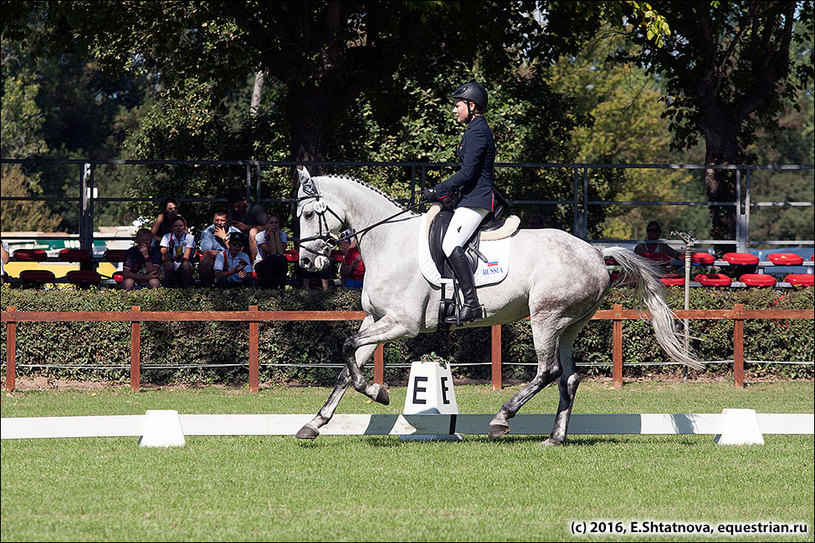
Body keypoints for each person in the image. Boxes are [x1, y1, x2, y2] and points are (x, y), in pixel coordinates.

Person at [420, 81, 495, 324]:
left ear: (472, 106)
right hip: (467, 197)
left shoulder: (478, 132)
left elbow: (468, 173)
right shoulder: (473, 129)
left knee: (450, 243)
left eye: (457, 105)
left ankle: (472, 304)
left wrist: (437, 189)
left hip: (477, 199)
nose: (454, 110)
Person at [198, 210, 241, 287]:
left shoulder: (236, 232)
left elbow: (238, 252)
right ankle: (206, 288)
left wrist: (224, 238)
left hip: (233, 259)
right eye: (216, 220)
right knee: (205, 260)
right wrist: (223, 256)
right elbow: (206, 252)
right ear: (213, 220)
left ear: (227, 221)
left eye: (222, 220)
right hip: (216, 259)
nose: (219, 223)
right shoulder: (207, 232)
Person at [226, 188, 267, 264]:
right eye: (233, 207)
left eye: (238, 206)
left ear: (244, 201)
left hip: (256, 244)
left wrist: (246, 227)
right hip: (238, 243)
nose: (236, 209)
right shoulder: (231, 212)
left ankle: (256, 264)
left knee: (253, 232)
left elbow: (268, 227)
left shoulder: (255, 209)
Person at [254, 214, 290, 289]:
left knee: (282, 259)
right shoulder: (260, 236)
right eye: (271, 223)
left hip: (276, 264)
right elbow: (272, 252)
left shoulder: (283, 235)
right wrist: (271, 235)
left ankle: (282, 289)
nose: (274, 225)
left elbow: (281, 252)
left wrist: (276, 235)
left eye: (276, 222)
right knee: (272, 258)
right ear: (267, 224)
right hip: (262, 264)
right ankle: (268, 289)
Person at [160, 215, 195, 288]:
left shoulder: (189, 238)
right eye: (175, 226)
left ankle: (187, 289)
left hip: (184, 263)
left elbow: (186, 257)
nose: (178, 228)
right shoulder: (166, 237)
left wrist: (180, 258)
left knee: (185, 264)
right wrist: (172, 258)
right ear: (172, 227)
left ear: (184, 227)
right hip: (171, 262)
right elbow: (162, 257)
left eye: (181, 226)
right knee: (168, 264)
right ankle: (168, 288)